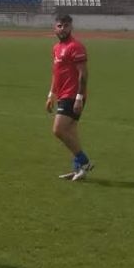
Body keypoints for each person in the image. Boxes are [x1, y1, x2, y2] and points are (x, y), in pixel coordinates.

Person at [46, 14, 93, 181]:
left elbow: (83, 74)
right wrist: (51, 94)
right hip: (63, 94)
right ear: (55, 28)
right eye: (59, 26)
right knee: (71, 132)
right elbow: (56, 73)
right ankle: (78, 170)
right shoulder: (56, 48)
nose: (62, 29)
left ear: (71, 27)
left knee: (58, 130)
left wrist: (79, 97)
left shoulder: (76, 47)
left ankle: (85, 162)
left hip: (73, 95)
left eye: (66, 26)